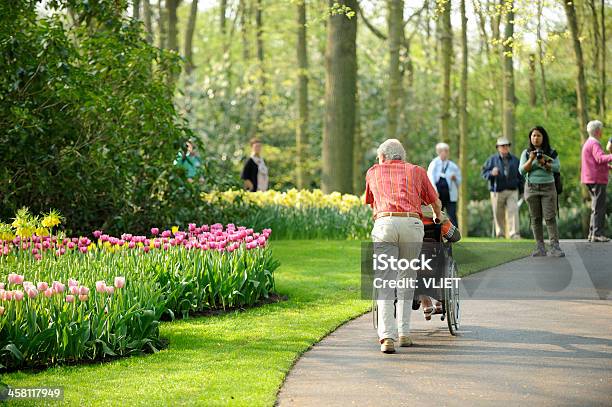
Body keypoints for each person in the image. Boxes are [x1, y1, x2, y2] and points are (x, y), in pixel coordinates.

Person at [365, 139, 442, 354]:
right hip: (411, 223)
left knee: (385, 281)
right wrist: (437, 217)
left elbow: (372, 201)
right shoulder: (417, 171)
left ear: (383, 157)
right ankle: (404, 333)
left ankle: (387, 337)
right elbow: (435, 201)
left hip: (385, 224)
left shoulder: (373, 171)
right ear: (402, 156)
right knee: (407, 279)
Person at [519, 126, 564, 257]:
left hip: (548, 188)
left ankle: (555, 247)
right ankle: (540, 247)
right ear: (530, 138)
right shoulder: (526, 153)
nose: (536, 138)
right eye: (533, 136)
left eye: (538, 135)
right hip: (531, 188)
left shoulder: (551, 152)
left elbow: (557, 168)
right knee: (535, 218)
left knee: (550, 217)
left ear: (543, 137)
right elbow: (521, 171)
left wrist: (544, 162)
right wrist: (531, 159)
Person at [481, 137, 523, 239]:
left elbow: (521, 175)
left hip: (512, 190)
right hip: (497, 191)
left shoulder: (515, 160)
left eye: (507, 145)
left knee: (513, 211)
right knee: (498, 213)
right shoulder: (492, 160)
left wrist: (521, 190)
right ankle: (500, 234)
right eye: (502, 145)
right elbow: (484, 173)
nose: (505, 147)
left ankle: (514, 234)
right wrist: (491, 173)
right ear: (498, 147)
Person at [581, 120, 612, 242]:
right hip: (597, 179)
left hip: (590, 178)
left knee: (595, 206)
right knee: (599, 207)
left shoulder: (588, 143)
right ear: (598, 131)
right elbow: (599, 158)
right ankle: (597, 233)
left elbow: (594, 162)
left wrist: (609, 167)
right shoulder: (594, 144)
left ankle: (592, 233)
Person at [427, 142, 461, 226]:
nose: (444, 153)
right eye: (442, 151)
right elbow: (430, 178)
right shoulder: (433, 164)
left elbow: (459, 180)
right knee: (437, 215)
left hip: (449, 195)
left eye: (446, 151)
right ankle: (436, 234)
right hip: (438, 195)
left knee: (452, 214)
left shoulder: (453, 166)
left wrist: (455, 178)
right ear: (438, 152)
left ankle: (455, 234)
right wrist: (434, 191)